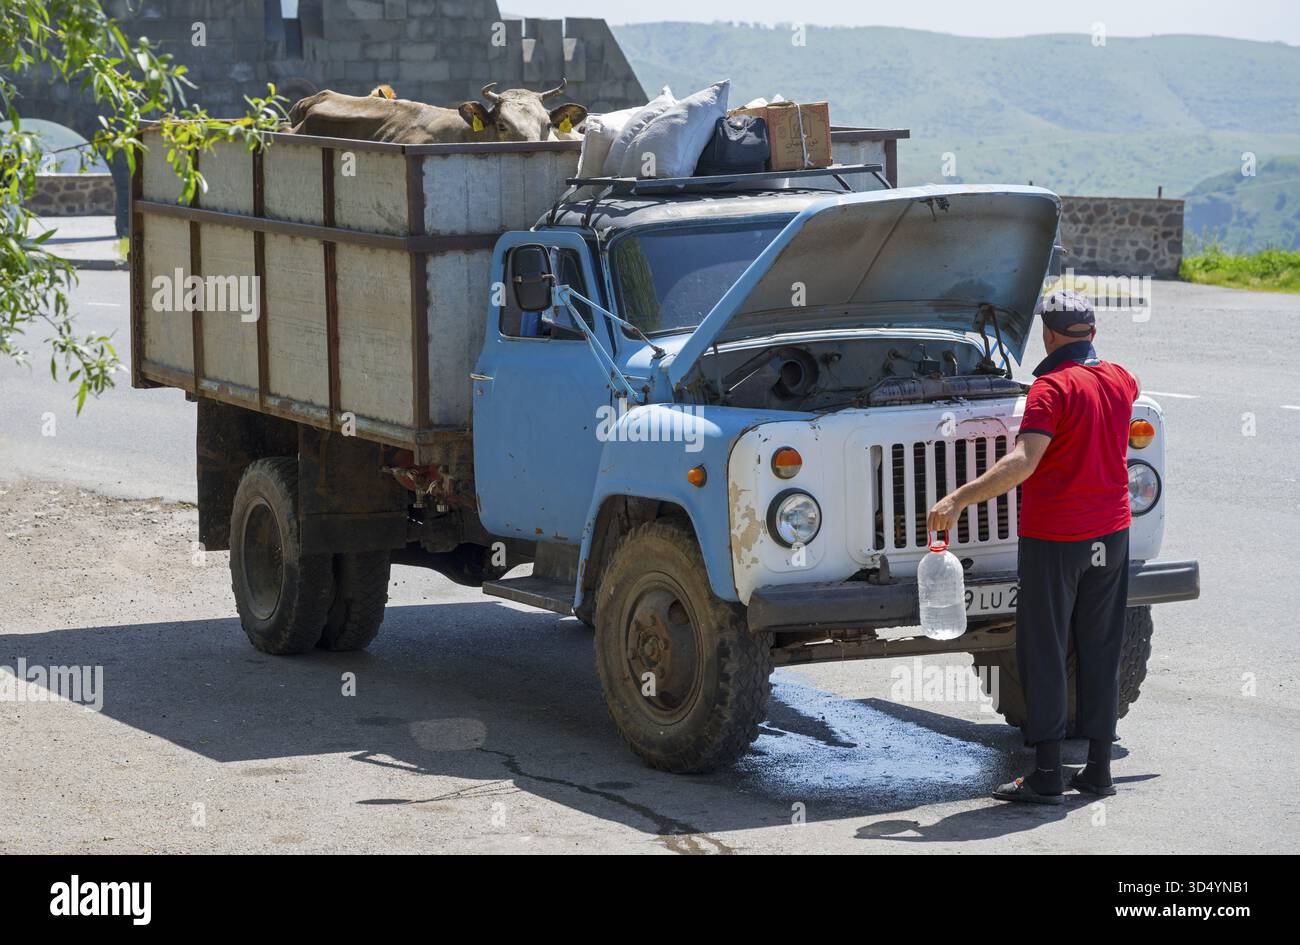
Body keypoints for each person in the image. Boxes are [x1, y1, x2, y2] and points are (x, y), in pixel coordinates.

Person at [927, 289, 1140, 805]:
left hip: (1057, 538)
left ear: (1047, 334)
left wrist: (957, 499)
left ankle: (1046, 774)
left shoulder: (1050, 389)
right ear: (1091, 333)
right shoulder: (1122, 379)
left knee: (1043, 649)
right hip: (1111, 536)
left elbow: (1024, 462)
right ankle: (1098, 771)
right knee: (1100, 648)